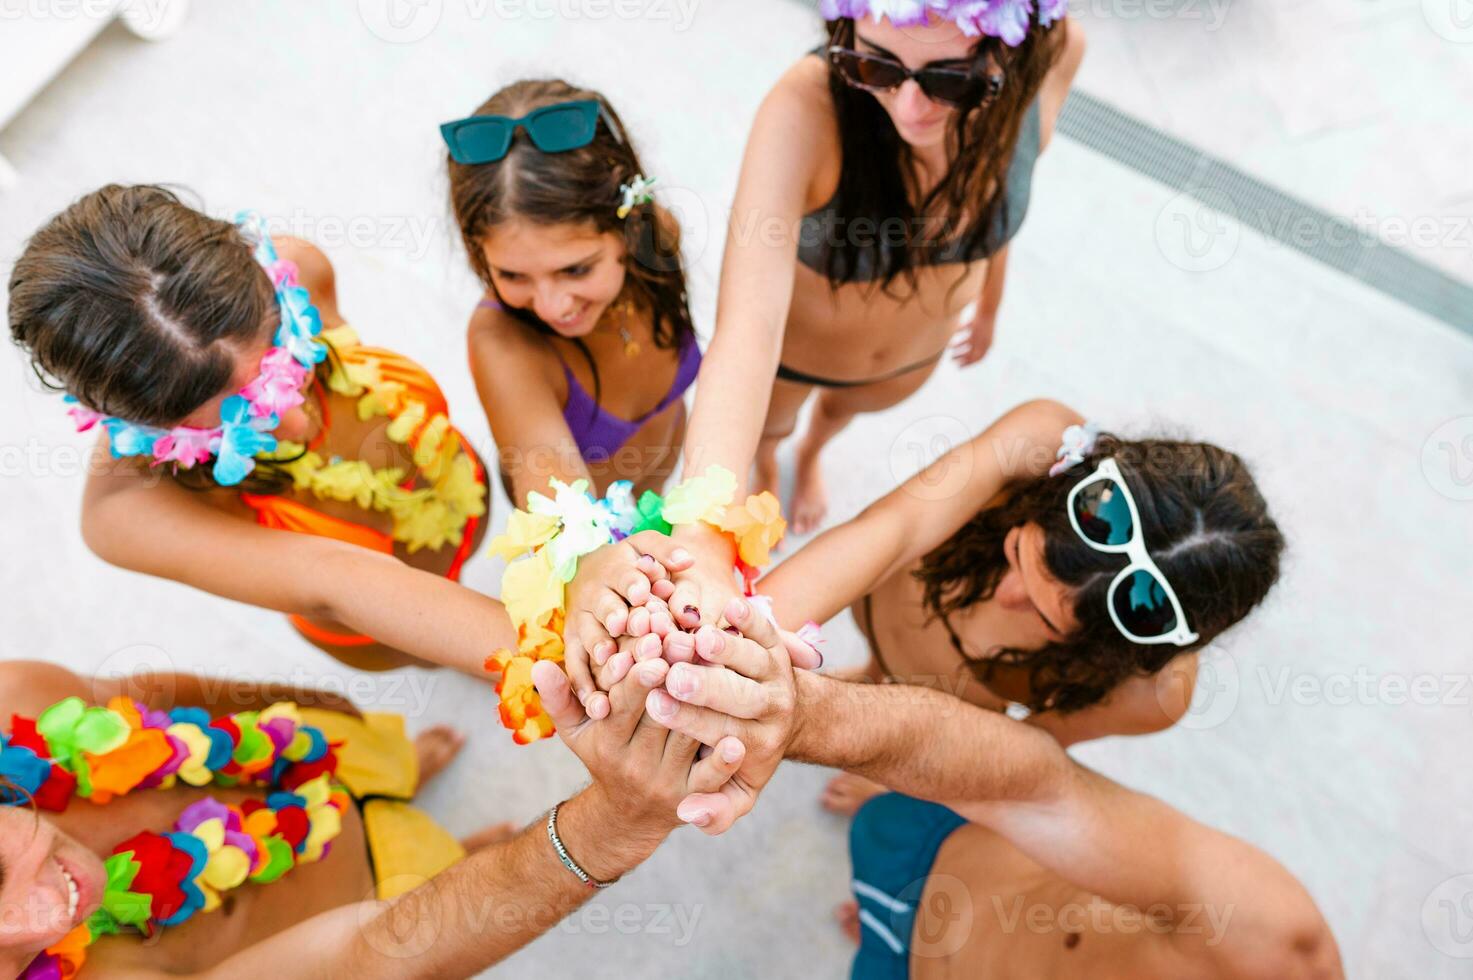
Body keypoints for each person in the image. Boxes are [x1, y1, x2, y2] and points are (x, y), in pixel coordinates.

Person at [6, 185, 655, 675]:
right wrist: (587, 665)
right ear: (139, 423)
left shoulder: (298, 269)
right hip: (380, 624)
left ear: (265, 283)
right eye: (232, 420)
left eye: (281, 358)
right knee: (442, 654)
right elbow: (342, 581)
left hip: (459, 496)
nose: (291, 417)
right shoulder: (126, 512)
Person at [561, 399, 1284, 786]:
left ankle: (872, 691)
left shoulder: (1152, 695)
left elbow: (1009, 756)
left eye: (1039, 614)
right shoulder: (1038, 437)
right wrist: (728, 634)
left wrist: (882, 762)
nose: (1003, 597)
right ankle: (871, 677)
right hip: (897, 612)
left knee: (897, 714)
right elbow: (895, 530)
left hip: (951, 703)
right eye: (1015, 554)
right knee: (873, 670)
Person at [627, 599, 1344, 979]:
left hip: (895, 963)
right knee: (894, 815)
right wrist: (807, 719)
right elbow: (1044, 786)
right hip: (938, 845)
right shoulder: (1265, 940)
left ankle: (880, 922)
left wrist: (899, 945)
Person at [0, 644, 745, 978]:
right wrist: (606, 827)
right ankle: (461, 849)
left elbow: (153, 691)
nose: (40, 922)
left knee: (371, 754)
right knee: (461, 874)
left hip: (301, 754)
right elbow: (370, 955)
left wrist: (305, 704)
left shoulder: (17, 702)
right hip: (370, 894)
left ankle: (402, 777)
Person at [673, 0, 1084, 552]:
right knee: (769, 431)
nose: (911, 105)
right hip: (790, 362)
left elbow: (998, 210)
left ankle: (812, 453)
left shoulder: (1056, 54)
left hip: (907, 362)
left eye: (950, 79)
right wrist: (699, 527)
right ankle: (769, 463)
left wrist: (989, 305)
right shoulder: (806, 106)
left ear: (1016, 48)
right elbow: (748, 325)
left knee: (835, 419)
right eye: (877, 67)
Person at [450, 79, 701, 507]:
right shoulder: (503, 343)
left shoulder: (659, 240)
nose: (551, 306)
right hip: (595, 530)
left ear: (628, 227)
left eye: (576, 269)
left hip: (661, 471)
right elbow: (563, 518)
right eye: (512, 275)